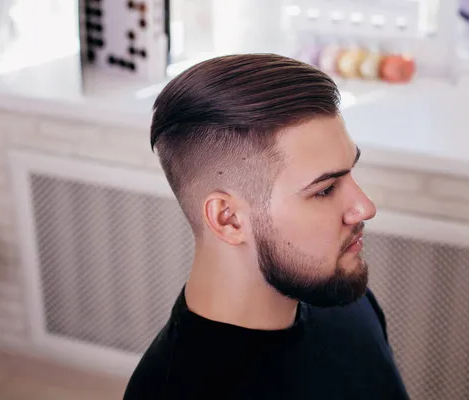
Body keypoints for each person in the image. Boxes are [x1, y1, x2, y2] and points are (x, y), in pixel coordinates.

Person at [123, 53, 409, 399]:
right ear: (228, 220)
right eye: (325, 190)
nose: (365, 207)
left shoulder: (348, 303)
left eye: (351, 172)